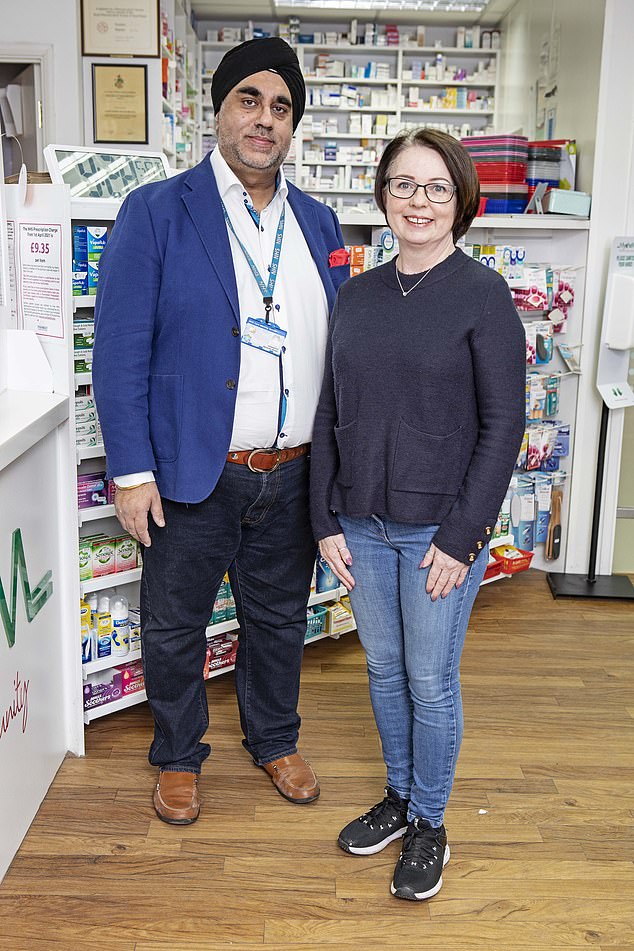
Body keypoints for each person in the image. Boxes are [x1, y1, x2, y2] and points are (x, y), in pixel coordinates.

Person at [92, 37, 350, 825]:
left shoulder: (318, 220)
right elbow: (120, 347)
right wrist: (132, 469)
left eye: (281, 107)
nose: (264, 120)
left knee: (279, 618)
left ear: (293, 124)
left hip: (295, 468)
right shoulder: (157, 211)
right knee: (176, 622)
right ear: (219, 108)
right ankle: (176, 752)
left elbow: (339, 343)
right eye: (250, 100)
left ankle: (274, 737)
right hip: (193, 468)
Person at [310, 128, 526, 901]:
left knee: (430, 680)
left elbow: (504, 424)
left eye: (436, 187)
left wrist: (463, 538)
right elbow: (331, 407)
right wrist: (324, 519)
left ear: (461, 199)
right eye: (404, 185)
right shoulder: (358, 295)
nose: (419, 201)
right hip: (360, 524)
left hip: (440, 532)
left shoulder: (482, 294)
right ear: (383, 196)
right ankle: (399, 799)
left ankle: (431, 819)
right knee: (381, 667)